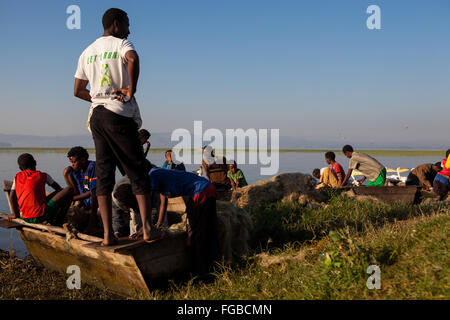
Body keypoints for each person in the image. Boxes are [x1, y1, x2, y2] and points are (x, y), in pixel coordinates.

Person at [73, 8, 156, 245]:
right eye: (128, 24)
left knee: (104, 175)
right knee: (138, 170)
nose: (130, 29)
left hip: (96, 117)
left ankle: (108, 236)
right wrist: (131, 90)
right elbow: (133, 59)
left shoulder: (87, 51)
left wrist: (99, 98)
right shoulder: (121, 43)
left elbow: (78, 90)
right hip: (117, 115)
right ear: (117, 24)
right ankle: (148, 229)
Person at [133, 167, 219, 276]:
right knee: (207, 229)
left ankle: (202, 272)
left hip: (201, 192)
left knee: (195, 233)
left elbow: (147, 202)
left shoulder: (152, 174)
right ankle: (214, 266)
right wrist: (158, 224)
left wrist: (146, 226)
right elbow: (163, 204)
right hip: (206, 189)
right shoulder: (160, 178)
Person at [7, 153, 73, 226]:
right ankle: (59, 221)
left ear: (20, 168)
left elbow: (12, 196)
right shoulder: (43, 175)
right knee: (69, 190)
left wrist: (14, 214)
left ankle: (53, 219)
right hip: (40, 215)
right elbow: (59, 190)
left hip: (25, 217)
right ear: (35, 162)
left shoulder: (17, 177)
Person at [63, 146, 98, 233]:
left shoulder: (92, 167)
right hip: (83, 200)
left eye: (74, 162)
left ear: (83, 160)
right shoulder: (77, 170)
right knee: (67, 171)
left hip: (93, 201)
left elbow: (93, 193)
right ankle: (80, 205)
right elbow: (69, 174)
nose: (72, 164)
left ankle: (92, 223)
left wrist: (73, 199)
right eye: (71, 162)